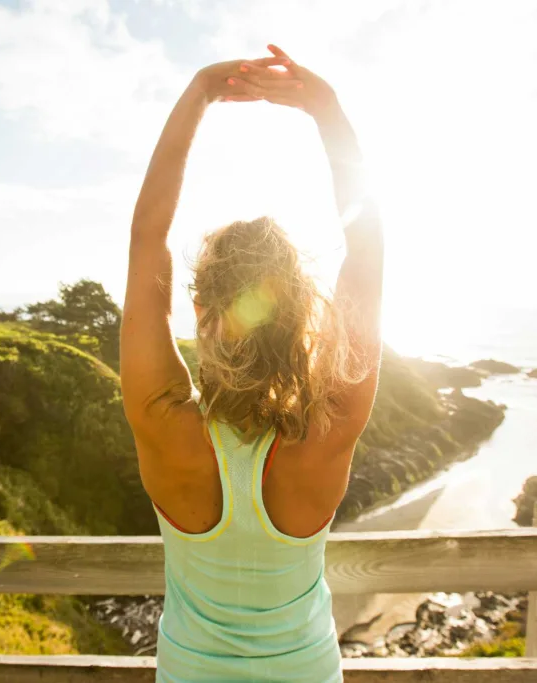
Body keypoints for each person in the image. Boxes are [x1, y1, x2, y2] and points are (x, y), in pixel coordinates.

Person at [121, 44, 383, 683]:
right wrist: (327, 111)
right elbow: (367, 251)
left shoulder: (162, 421)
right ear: (299, 314)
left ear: (200, 307)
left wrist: (200, 92)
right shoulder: (327, 433)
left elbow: (147, 240)